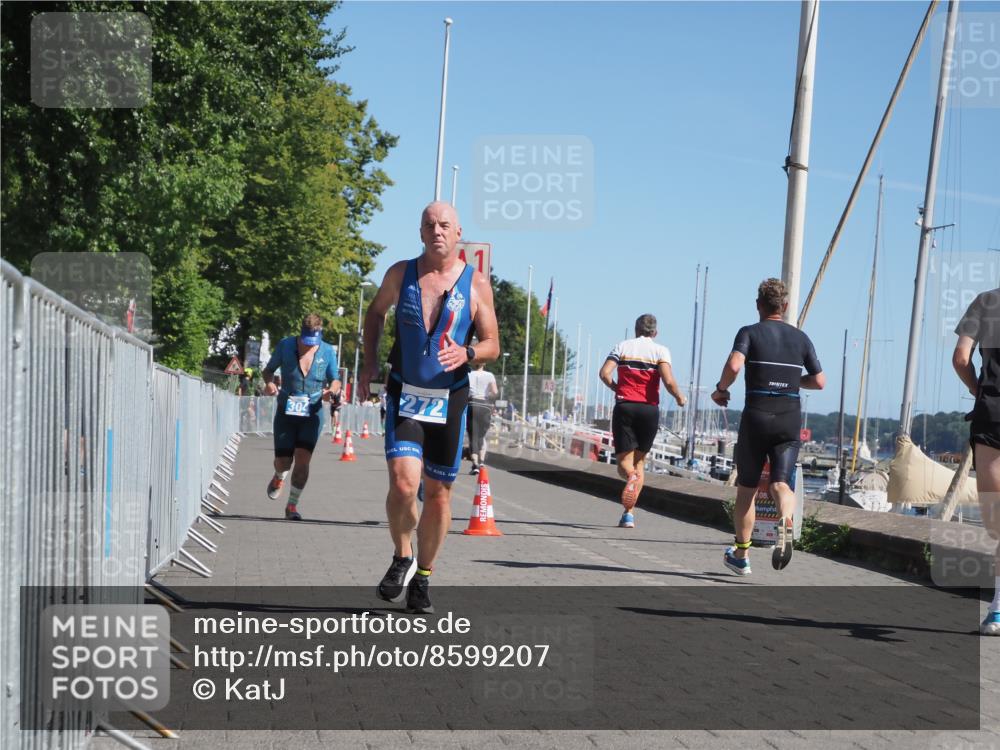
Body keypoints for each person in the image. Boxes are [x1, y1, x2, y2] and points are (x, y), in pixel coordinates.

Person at [358, 201, 499, 614]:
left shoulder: (476, 284)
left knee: (438, 496)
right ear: (420, 233)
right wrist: (369, 364)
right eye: (428, 225)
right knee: (403, 485)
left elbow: (493, 344)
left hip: (450, 399)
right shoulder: (400, 274)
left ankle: (423, 577)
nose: (436, 231)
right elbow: (374, 314)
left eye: (444, 225)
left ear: (458, 234)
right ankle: (403, 555)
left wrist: (469, 352)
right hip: (405, 392)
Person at [711, 278, 825, 575]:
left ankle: (741, 554)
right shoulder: (801, 338)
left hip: (757, 415)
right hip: (789, 417)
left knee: (747, 490)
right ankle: (785, 519)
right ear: (785, 307)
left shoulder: (749, 332)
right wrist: (792, 381)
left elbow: (735, 366)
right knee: (780, 484)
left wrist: (721, 388)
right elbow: (820, 381)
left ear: (758, 305)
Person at [599, 314, 686, 528]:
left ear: (636, 329)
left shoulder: (622, 346)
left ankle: (630, 478)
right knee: (640, 462)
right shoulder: (661, 351)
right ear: (655, 332)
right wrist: (679, 397)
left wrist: (615, 387)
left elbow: (604, 373)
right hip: (649, 410)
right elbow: (668, 381)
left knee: (624, 464)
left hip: (626, 406)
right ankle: (628, 514)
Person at [952, 287, 1000, 635]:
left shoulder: (986, 301)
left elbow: (961, 358)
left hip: (992, 413)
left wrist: (976, 390)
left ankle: (998, 611)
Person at [261, 314, 341, 521]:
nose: (308, 345)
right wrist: (269, 383)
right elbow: (267, 371)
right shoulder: (285, 346)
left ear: (320, 334)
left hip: (312, 413)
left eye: (312, 342)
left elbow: (336, 380)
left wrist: (331, 391)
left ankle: (292, 505)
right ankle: (279, 477)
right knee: (283, 462)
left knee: (303, 461)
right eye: (305, 341)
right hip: (286, 412)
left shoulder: (327, 351)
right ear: (301, 333)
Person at [467, 362, 499, 474]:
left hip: (472, 404)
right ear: (484, 363)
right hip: (485, 406)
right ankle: (482, 462)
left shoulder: (468, 374)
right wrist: (487, 395)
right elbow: (495, 392)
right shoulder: (490, 375)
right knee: (482, 436)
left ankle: (474, 464)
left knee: (473, 436)